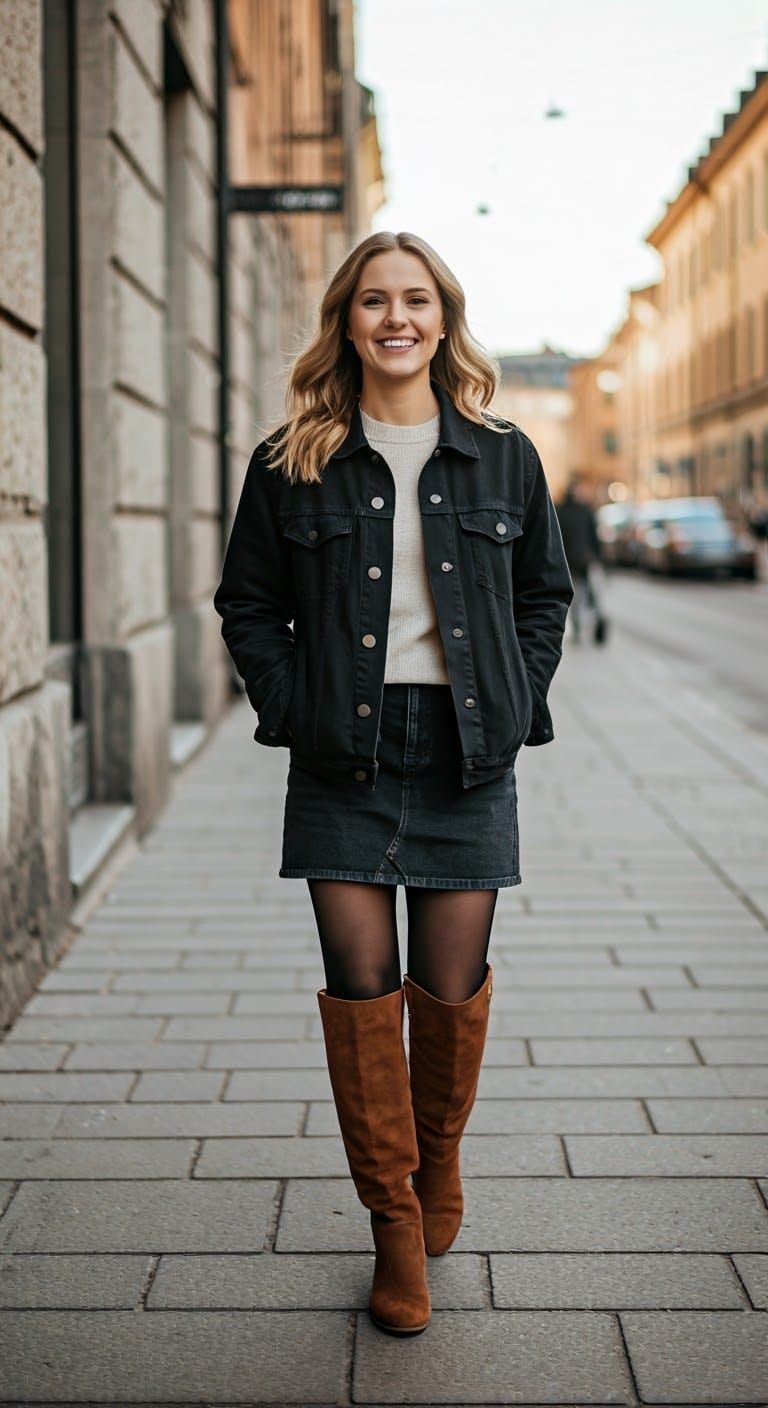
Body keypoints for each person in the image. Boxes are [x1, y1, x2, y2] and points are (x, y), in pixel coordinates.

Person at [213, 231, 573, 1337]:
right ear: (347, 320)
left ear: (446, 319)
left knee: (449, 996)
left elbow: (543, 598)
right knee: (362, 998)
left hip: (467, 749)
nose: (397, 317)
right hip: (345, 756)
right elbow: (246, 606)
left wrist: (513, 702)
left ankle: (438, 1160)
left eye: (418, 299)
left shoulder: (504, 456)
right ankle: (393, 1224)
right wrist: (294, 706)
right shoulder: (292, 460)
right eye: (375, 300)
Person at [555, 476, 608, 644]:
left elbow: (556, 539)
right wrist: (599, 558)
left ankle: (579, 625)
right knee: (588, 594)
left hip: (569, 561)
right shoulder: (585, 511)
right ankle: (591, 621)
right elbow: (594, 538)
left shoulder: (560, 511)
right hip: (584, 560)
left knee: (577, 596)